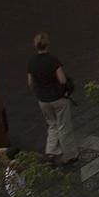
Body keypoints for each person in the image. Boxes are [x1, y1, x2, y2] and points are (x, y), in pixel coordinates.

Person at [26, 34, 79, 165]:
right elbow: (62, 80)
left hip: (43, 100)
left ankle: (50, 151)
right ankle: (69, 155)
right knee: (63, 126)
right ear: (47, 44)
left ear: (35, 45)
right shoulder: (53, 60)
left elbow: (30, 83)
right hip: (58, 98)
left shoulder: (32, 62)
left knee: (52, 125)